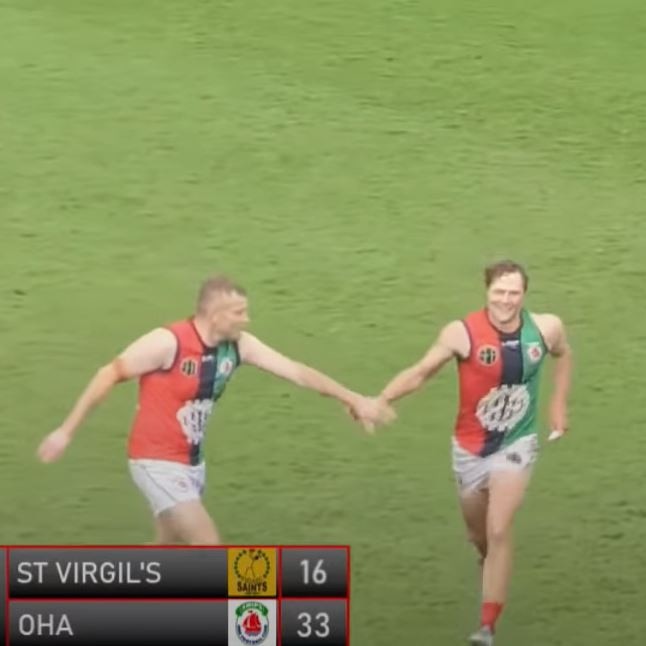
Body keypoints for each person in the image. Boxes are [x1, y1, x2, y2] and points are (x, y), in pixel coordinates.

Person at [37, 275, 394, 544]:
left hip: (192, 465)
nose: (246, 319)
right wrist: (65, 431)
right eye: (239, 312)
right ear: (214, 314)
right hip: (155, 461)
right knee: (207, 547)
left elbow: (297, 371)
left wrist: (354, 399)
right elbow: (108, 373)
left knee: (169, 546)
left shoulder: (238, 346)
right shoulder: (169, 342)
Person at [375, 260, 572, 646]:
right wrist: (381, 398)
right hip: (469, 450)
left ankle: (487, 626)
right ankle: (490, 566)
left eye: (514, 292)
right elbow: (421, 371)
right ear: (486, 292)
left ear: (525, 294)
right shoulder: (462, 333)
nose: (506, 300)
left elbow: (564, 355)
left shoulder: (546, 329)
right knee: (478, 534)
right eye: (499, 292)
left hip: (516, 444)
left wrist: (558, 404)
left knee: (499, 527)